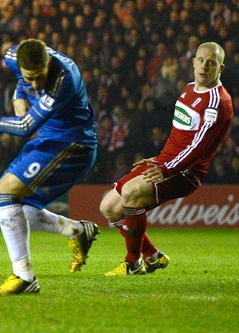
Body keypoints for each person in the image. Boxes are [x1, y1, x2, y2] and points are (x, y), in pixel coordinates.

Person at [0, 39, 99, 296]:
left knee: (6, 195)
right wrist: (20, 95)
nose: (35, 83)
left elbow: (25, 126)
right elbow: (20, 82)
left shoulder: (64, 78)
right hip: (47, 141)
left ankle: (24, 277)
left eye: (39, 77)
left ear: (48, 62)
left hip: (72, 144)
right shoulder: (12, 57)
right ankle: (76, 230)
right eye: (30, 77)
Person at [100, 42, 233, 276]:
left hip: (185, 171)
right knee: (109, 207)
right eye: (201, 60)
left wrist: (168, 167)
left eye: (211, 63)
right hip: (167, 161)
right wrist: (161, 158)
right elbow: (181, 134)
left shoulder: (218, 102)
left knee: (131, 194)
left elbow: (199, 146)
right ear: (193, 62)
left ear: (220, 68)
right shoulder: (190, 88)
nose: (204, 66)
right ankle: (152, 256)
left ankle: (133, 264)